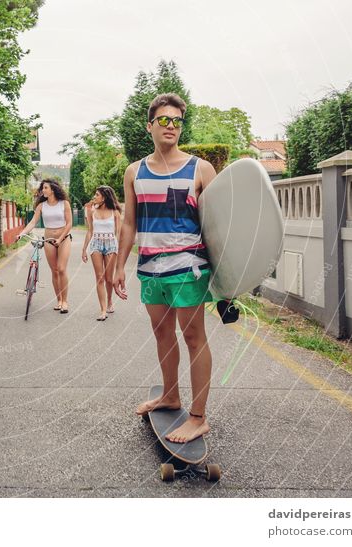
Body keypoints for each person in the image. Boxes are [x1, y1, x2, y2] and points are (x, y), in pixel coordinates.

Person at [113, 93, 217, 444]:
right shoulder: (135, 171)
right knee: (161, 334)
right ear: (150, 126)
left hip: (189, 268)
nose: (171, 126)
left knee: (193, 337)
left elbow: (219, 224)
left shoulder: (201, 169)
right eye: (164, 120)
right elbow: (129, 223)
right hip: (150, 269)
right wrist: (118, 266)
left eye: (177, 121)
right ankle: (171, 395)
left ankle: (198, 417)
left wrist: (229, 276)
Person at [18, 178, 73, 313]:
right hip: (48, 240)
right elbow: (32, 223)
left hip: (64, 239)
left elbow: (69, 223)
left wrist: (60, 239)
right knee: (54, 270)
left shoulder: (64, 203)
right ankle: (59, 300)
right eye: (42, 188)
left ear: (53, 189)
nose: (43, 190)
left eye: (46, 188)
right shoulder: (41, 206)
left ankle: (65, 302)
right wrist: (21, 233)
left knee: (61, 269)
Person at [81, 186, 121, 321]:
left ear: (104, 197)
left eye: (97, 194)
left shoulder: (115, 212)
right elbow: (90, 231)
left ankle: (110, 300)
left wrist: (119, 250)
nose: (94, 196)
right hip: (96, 244)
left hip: (110, 244)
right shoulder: (92, 211)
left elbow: (118, 233)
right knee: (100, 277)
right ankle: (103, 310)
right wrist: (84, 249)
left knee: (109, 279)